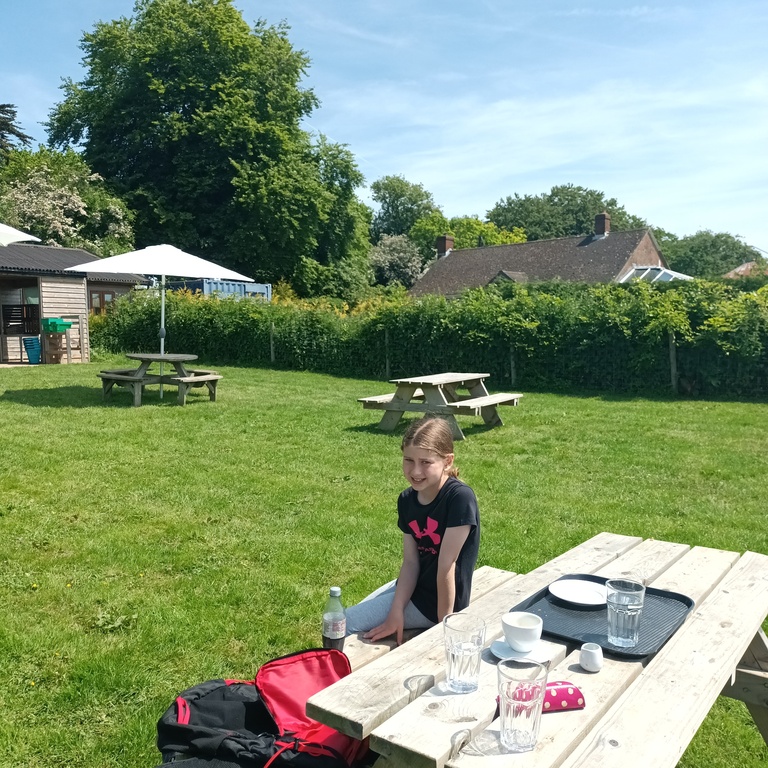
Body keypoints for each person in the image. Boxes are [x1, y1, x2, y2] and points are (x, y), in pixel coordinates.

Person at [345, 416, 480, 644]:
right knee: (342, 618)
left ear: (447, 461)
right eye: (408, 460)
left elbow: (446, 567)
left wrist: (443, 628)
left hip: (436, 603)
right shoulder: (407, 499)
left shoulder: (459, 498)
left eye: (426, 462)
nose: (415, 471)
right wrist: (396, 611)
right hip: (414, 587)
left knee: (345, 622)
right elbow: (410, 562)